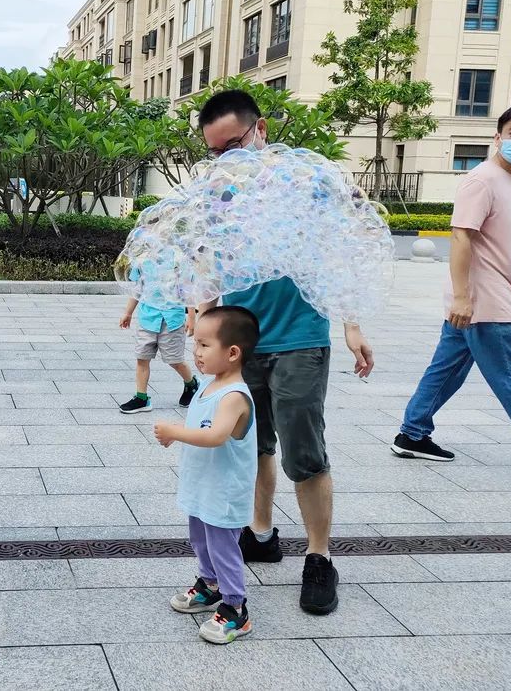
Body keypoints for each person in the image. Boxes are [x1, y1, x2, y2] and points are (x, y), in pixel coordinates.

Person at [197, 89, 374, 615]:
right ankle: (261, 532)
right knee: (250, 444)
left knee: (304, 451)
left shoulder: (308, 183)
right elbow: (210, 257)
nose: (228, 159)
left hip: (299, 337)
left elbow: (340, 250)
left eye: (235, 144)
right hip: (241, 340)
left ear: (261, 130)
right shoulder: (219, 193)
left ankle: (319, 557)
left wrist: (352, 325)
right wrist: (203, 318)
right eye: (216, 152)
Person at [393, 104, 511, 479]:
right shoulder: (482, 180)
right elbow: (461, 236)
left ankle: (412, 433)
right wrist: (462, 296)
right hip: (484, 302)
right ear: (498, 137)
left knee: (446, 370)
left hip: (482, 301)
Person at [153, 306, 259, 644]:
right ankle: (209, 584)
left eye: (203, 344)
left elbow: (214, 435)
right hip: (203, 485)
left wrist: (174, 431)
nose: (195, 352)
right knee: (201, 540)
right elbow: (201, 426)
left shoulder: (234, 396)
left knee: (223, 547)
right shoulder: (209, 386)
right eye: (195, 343)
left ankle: (235, 608)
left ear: (232, 353)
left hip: (224, 491)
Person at [118, 286, 199, 413]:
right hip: (147, 320)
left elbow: (187, 290)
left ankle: (192, 384)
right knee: (142, 358)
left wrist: (192, 317)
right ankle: (141, 398)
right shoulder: (143, 266)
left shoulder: (178, 266)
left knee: (175, 361)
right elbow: (137, 290)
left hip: (172, 321)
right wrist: (128, 313)